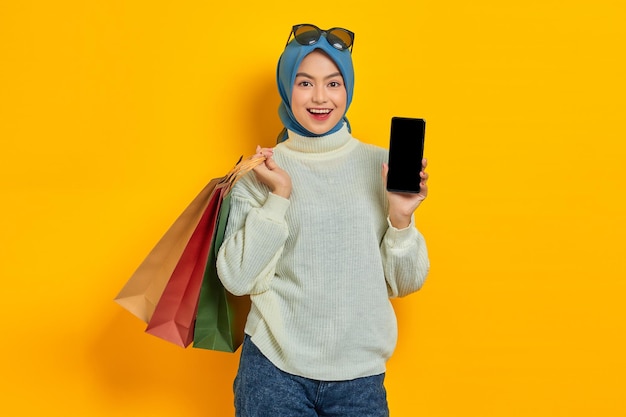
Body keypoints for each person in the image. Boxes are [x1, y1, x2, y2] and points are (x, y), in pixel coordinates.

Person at [216, 23, 430, 417]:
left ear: (347, 88)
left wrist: (400, 220)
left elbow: (405, 282)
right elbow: (238, 278)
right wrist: (279, 198)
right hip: (273, 372)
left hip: (360, 379)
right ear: (287, 88)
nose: (319, 98)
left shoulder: (378, 166)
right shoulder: (261, 172)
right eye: (304, 83)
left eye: (333, 84)